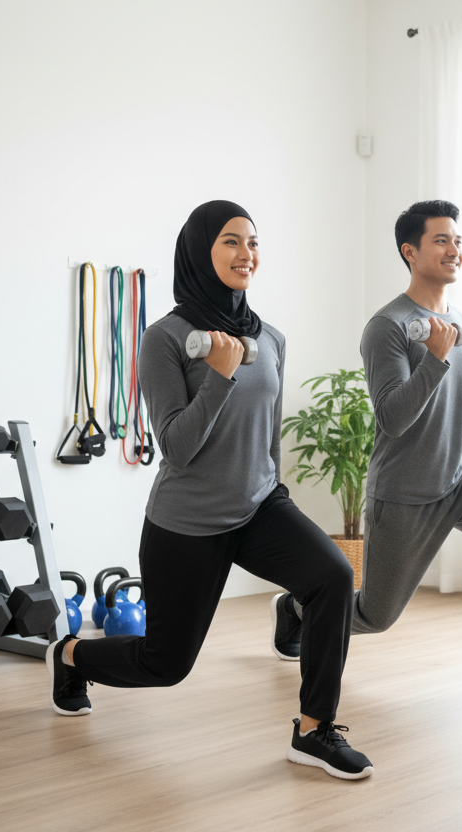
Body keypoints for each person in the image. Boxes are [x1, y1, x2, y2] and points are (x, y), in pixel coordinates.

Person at [47, 200, 374, 780]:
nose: (246, 253)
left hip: (258, 505)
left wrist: (280, 501)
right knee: (164, 664)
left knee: (332, 575)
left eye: (252, 242)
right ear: (201, 250)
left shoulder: (269, 337)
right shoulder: (165, 339)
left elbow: (268, 434)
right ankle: (71, 656)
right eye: (230, 241)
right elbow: (175, 446)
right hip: (188, 521)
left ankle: (313, 728)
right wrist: (220, 376)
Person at [270, 200, 462, 707]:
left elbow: (461, 410)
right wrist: (434, 360)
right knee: (376, 614)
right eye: (441, 240)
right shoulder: (386, 327)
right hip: (406, 490)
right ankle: (296, 610)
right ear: (410, 252)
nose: (454, 249)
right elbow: (391, 417)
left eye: (457, 240)